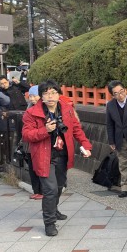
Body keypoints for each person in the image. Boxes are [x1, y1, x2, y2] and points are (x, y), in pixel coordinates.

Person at [22, 80, 92, 236]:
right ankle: (49, 222)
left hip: (62, 154)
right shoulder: (32, 113)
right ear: (41, 96)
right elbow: (27, 135)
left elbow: (76, 130)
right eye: (46, 93)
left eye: (53, 92)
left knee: (60, 186)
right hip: (43, 155)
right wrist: (45, 130)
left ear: (59, 94)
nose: (50, 96)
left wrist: (86, 145)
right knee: (50, 189)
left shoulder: (67, 109)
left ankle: (54, 209)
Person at [23, 85, 43, 200]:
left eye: (34, 96)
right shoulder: (29, 108)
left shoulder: (45, 108)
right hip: (30, 144)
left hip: (40, 143)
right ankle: (37, 190)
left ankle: (43, 191)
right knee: (32, 168)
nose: (32, 99)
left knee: (41, 167)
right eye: (30, 96)